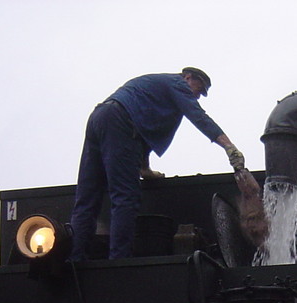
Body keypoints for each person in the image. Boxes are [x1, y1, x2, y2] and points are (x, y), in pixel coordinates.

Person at [69, 67, 246, 260]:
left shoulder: (153, 89)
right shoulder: (177, 85)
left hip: (100, 117)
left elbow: (142, 131)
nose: (198, 96)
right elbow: (199, 117)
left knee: (87, 196)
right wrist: (229, 147)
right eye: (199, 88)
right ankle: (119, 262)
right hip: (118, 122)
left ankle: (76, 257)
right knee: (125, 197)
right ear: (188, 77)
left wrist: (145, 169)